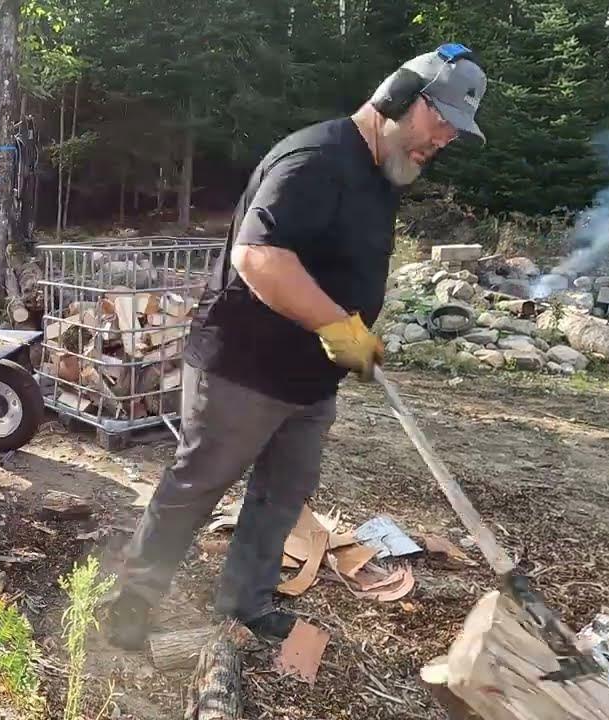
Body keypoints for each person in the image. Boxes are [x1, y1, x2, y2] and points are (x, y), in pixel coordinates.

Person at [104, 44, 489, 648]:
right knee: (197, 485)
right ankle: (132, 603)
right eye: (439, 122)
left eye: (453, 133)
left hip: (311, 379)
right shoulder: (317, 158)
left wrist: (342, 338)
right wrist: (344, 330)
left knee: (283, 495)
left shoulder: (382, 170)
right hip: (245, 369)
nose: (443, 141)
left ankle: (245, 604)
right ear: (398, 99)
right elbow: (259, 257)